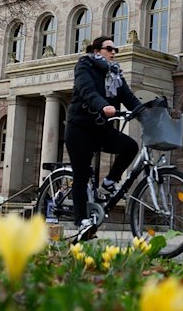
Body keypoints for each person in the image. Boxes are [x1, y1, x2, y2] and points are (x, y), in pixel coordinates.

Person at [64, 36, 142, 233]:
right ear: (97, 51)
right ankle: (81, 222)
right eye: (109, 49)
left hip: (102, 130)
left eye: (115, 49)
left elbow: (129, 98)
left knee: (130, 147)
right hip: (79, 129)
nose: (114, 52)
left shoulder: (115, 74)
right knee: (81, 176)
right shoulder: (84, 66)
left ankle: (108, 183)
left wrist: (148, 113)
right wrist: (103, 105)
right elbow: (86, 90)